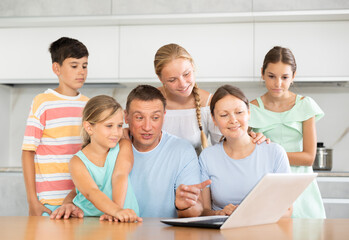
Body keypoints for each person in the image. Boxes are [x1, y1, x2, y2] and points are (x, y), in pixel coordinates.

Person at [51, 85, 210, 219]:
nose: (147, 127)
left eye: (155, 117)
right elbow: (86, 188)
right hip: (111, 228)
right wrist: (68, 204)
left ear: (164, 116)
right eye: (139, 117)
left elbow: (196, 211)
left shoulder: (182, 150)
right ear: (126, 117)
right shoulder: (113, 144)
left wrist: (183, 206)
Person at [249, 46, 326, 219]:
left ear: (294, 76)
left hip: (302, 188)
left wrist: (271, 154)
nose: (278, 84)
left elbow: (308, 158)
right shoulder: (250, 109)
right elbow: (247, 154)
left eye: (284, 77)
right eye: (271, 76)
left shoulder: (305, 105)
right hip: (267, 186)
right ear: (262, 73)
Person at [154, 43, 266, 154]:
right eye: (172, 80)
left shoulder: (208, 103)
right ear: (160, 78)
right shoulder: (149, 102)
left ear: (193, 67)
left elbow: (226, 144)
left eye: (186, 74)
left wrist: (251, 138)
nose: (182, 84)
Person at [199, 85, 292, 217]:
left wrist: (246, 214)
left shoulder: (275, 152)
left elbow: (287, 209)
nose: (233, 120)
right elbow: (204, 211)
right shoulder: (207, 157)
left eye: (239, 112)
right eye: (224, 115)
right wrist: (219, 213)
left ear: (249, 113)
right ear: (214, 119)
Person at [22, 37, 89, 216]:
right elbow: (28, 152)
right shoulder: (42, 103)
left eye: (84, 65)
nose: (81, 71)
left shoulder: (89, 105)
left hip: (80, 202)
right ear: (56, 68)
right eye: (74, 66)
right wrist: (32, 201)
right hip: (49, 203)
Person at [70, 95, 141, 222]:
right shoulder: (77, 162)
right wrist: (116, 211)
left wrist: (117, 211)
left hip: (123, 219)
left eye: (119, 126)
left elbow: (120, 175)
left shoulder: (124, 146)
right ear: (89, 127)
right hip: (89, 222)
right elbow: (91, 192)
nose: (116, 132)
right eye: (109, 126)